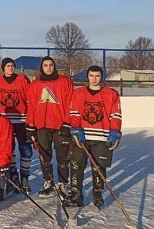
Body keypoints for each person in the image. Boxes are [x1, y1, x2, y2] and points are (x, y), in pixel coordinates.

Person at [67, 65, 122, 209]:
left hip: (101, 136)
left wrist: (115, 131)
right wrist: (76, 129)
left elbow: (115, 115)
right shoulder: (78, 94)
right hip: (82, 136)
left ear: (101, 77)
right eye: (91, 76)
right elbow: (74, 113)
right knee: (76, 164)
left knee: (99, 166)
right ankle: (76, 193)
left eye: (97, 76)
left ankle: (97, 193)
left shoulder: (111, 94)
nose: (94, 79)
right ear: (87, 77)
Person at [26, 56, 74, 197]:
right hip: (42, 126)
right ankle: (48, 181)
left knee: (63, 157)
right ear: (42, 67)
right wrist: (30, 125)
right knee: (44, 156)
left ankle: (62, 184)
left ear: (54, 66)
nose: (48, 68)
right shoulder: (35, 85)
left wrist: (67, 122)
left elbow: (70, 103)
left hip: (60, 126)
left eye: (51, 65)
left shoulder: (65, 82)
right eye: (45, 65)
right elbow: (32, 106)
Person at [0, 57, 33, 193]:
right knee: (9, 149)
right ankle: (14, 175)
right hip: (5, 121)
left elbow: (30, 98)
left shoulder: (22, 79)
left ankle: (25, 177)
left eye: (12, 65)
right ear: (3, 68)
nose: (10, 68)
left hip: (21, 120)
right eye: (7, 66)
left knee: (26, 149)